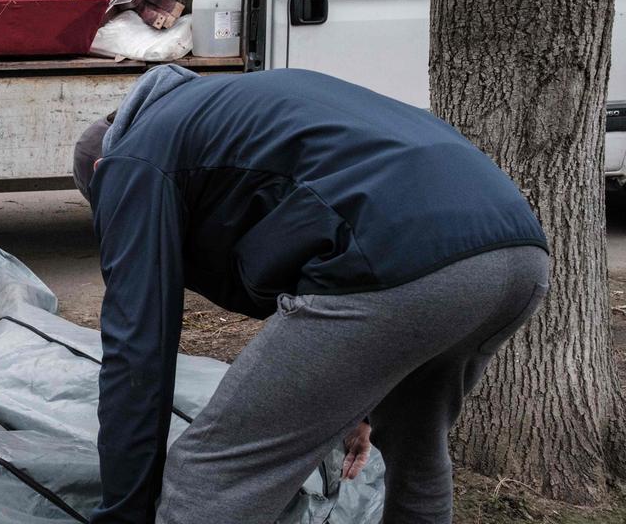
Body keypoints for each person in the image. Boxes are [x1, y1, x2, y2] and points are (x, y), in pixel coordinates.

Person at [72, 66, 549, 524]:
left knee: (212, 471)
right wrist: (360, 406)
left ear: (101, 170)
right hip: (516, 252)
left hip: (396, 257)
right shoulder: (230, 111)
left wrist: (122, 512)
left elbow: (136, 358)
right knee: (416, 445)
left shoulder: (132, 159)